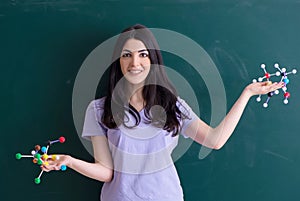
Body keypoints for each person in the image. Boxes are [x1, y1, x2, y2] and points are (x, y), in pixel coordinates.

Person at [42, 24, 284, 201]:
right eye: (127, 55)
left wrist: (247, 94)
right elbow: (106, 173)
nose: (135, 63)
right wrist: (70, 161)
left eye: (142, 54)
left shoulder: (172, 105)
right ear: (118, 61)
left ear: (152, 59)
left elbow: (214, 140)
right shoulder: (99, 109)